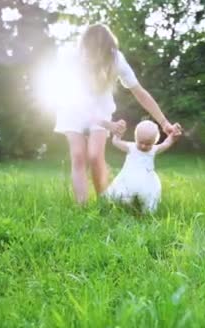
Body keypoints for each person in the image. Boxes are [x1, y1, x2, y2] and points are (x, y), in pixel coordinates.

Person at [53, 23, 182, 205]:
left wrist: (164, 123)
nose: (93, 57)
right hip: (72, 109)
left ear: (107, 51)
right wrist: (109, 125)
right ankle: (81, 206)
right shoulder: (71, 58)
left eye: (99, 52)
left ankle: (104, 202)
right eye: (90, 51)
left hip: (101, 109)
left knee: (95, 156)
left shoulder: (116, 60)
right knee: (79, 155)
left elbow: (139, 92)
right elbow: (76, 103)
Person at [104, 120, 179, 213]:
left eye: (148, 144)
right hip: (129, 177)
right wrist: (117, 134)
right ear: (136, 138)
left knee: (148, 195)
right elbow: (116, 142)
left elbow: (166, 144)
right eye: (141, 142)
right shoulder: (131, 147)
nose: (143, 146)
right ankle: (124, 206)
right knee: (123, 192)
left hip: (146, 179)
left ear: (154, 141)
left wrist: (172, 136)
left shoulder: (153, 150)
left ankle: (145, 211)